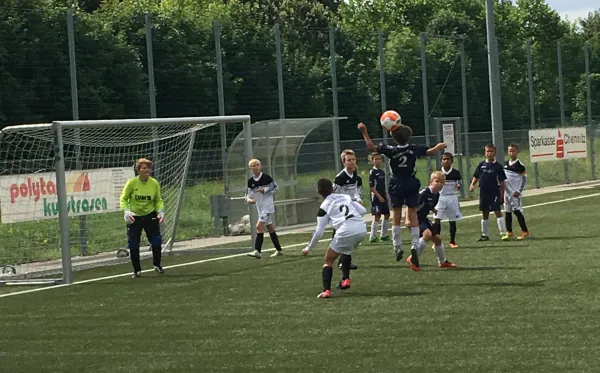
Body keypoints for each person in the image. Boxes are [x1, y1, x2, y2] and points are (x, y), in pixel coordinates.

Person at [357, 122, 446, 266]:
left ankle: (397, 246)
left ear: (394, 137)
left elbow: (371, 147)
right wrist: (439, 147)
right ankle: (414, 245)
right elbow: (429, 152)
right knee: (412, 212)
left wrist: (364, 131)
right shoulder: (413, 149)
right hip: (411, 182)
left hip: (396, 183)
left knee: (396, 214)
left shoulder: (391, 150)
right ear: (408, 137)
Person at [302, 178, 367, 299]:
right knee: (346, 250)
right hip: (361, 228)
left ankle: (326, 291)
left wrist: (308, 247)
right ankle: (345, 279)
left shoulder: (323, 207)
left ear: (318, 192)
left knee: (328, 260)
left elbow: (319, 232)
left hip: (346, 230)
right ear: (332, 188)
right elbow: (363, 210)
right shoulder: (345, 197)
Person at [120, 158, 165, 278]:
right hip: (135, 217)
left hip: (150, 215)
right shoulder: (132, 183)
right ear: (138, 170)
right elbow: (124, 198)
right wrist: (127, 211)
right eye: (144, 168)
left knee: (156, 241)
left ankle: (157, 264)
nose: (147, 170)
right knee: (133, 243)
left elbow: (158, 200)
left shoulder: (154, 183)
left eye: (149, 168)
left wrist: (160, 211)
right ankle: (137, 270)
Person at [405, 171, 456, 271]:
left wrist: (433, 209)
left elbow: (427, 204)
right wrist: (407, 219)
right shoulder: (423, 193)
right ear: (431, 182)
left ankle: (442, 262)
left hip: (423, 218)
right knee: (427, 234)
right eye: (437, 181)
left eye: (442, 182)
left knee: (437, 239)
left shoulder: (436, 194)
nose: (439, 184)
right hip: (415, 218)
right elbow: (410, 206)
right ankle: (412, 258)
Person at [469, 144, 510, 241]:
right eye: (487, 151)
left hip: (494, 192)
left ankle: (503, 233)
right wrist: (472, 184)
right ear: (485, 152)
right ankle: (485, 234)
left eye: (491, 151)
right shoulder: (481, 165)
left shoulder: (498, 166)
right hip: (483, 192)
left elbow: (502, 182)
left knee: (497, 211)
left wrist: (501, 194)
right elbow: (476, 176)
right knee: (485, 212)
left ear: (494, 153)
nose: (489, 153)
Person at [246, 159, 284, 259]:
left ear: (260, 166)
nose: (256, 167)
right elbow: (249, 195)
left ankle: (257, 251)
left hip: (268, 207)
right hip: (260, 207)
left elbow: (275, 187)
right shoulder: (250, 182)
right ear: (250, 168)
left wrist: (266, 190)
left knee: (259, 226)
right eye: (253, 165)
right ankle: (279, 250)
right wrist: (249, 200)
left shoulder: (266, 177)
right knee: (270, 228)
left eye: (257, 165)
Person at [333, 149, 363, 270]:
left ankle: (345, 261)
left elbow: (355, 190)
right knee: (342, 234)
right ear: (343, 162)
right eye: (348, 160)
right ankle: (340, 260)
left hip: (351, 208)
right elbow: (333, 194)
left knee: (351, 233)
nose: (351, 162)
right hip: (341, 210)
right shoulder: (340, 177)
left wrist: (358, 199)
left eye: (353, 160)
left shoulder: (355, 175)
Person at [433, 152, 463, 248]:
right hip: (440, 198)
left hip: (452, 197)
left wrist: (459, 186)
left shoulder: (456, 173)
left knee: (452, 220)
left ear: (451, 161)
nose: (446, 161)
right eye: (444, 159)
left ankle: (452, 242)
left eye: (448, 159)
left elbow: (459, 184)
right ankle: (436, 242)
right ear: (441, 161)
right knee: (437, 219)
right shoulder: (438, 173)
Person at [504, 143, 530, 240]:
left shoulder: (520, 165)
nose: (511, 153)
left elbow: (524, 179)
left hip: (515, 193)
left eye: (513, 151)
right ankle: (509, 231)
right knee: (507, 212)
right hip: (506, 193)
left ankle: (525, 231)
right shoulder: (505, 164)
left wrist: (519, 191)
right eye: (509, 151)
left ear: (517, 152)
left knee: (517, 211)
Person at [368, 152, 391, 243]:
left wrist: (386, 194)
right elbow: (371, 186)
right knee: (377, 215)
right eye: (375, 159)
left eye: (379, 159)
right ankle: (372, 236)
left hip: (383, 195)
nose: (377, 161)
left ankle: (383, 235)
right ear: (372, 161)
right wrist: (378, 196)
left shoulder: (382, 172)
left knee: (387, 214)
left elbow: (383, 185)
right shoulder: (372, 172)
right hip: (376, 196)